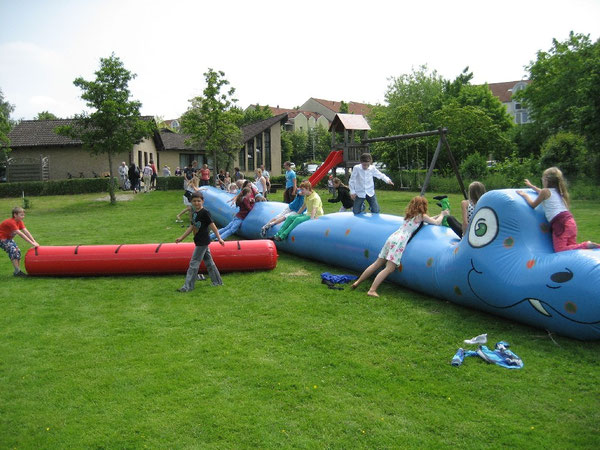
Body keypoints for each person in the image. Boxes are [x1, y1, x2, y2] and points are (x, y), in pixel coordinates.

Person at [351, 196, 449, 297]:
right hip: (400, 242)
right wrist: (442, 214)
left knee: (377, 264)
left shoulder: (410, 215)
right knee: (389, 268)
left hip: (393, 238)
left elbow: (429, 220)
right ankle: (372, 290)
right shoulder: (421, 215)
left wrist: (438, 215)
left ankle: (357, 282)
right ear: (423, 206)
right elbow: (436, 223)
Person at [517, 167, 600, 252]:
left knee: (560, 249)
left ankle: (586, 245)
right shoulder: (557, 191)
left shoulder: (545, 191)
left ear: (546, 180)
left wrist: (525, 195)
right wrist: (531, 186)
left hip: (561, 224)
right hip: (570, 222)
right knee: (571, 248)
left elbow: (533, 205)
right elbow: (541, 191)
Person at [175, 192, 224, 292]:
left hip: (203, 241)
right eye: (194, 201)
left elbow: (213, 226)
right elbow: (192, 227)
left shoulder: (205, 212)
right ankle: (217, 282)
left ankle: (188, 287)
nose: (196, 203)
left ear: (203, 201)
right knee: (209, 262)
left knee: (194, 263)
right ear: (191, 202)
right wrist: (181, 238)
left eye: (198, 201)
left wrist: (219, 238)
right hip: (198, 240)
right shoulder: (194, 213)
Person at [0, 206, 39, 277]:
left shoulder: (19, 222)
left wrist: (34, 241)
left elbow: (26, 231)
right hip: (2, 239)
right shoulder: (11, 222)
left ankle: (17, 271)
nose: (23, 216)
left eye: (23, 215)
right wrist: (32, 243)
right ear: (15, 215)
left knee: (18, 251)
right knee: (13, 250)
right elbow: (20, 234)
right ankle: (18, 272)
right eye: (21, 215)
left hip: (8, 239)